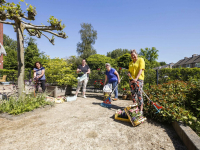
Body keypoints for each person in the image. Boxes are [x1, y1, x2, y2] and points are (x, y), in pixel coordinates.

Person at [128, 49, 145, 115]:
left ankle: (141, 110)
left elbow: (141, 70)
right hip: (131, 80)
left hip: (139, 79)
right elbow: (129, 71)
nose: (133, 56)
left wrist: (136, 78)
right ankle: (135, 108)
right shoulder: (130, 63)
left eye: (134, 55)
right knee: (133, 94)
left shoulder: (141, 60)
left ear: (136, 54)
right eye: (131, 55)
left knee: (139, 94)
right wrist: (129, 73)